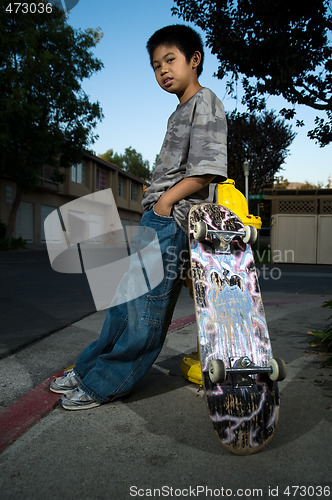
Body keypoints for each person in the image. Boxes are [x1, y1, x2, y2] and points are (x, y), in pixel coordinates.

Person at [50, 24, 228, 410]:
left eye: (170, 60)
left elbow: (208, 169)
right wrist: (154, 202)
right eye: (155, 65)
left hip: (175, 219)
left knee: (146, 310)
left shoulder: (206, 101)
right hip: (157, 216)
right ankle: (89, 368)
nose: (163, 70)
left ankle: (110, 382)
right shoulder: (179, 111)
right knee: (123, 303)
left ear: (194, 60)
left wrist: (165, 204)